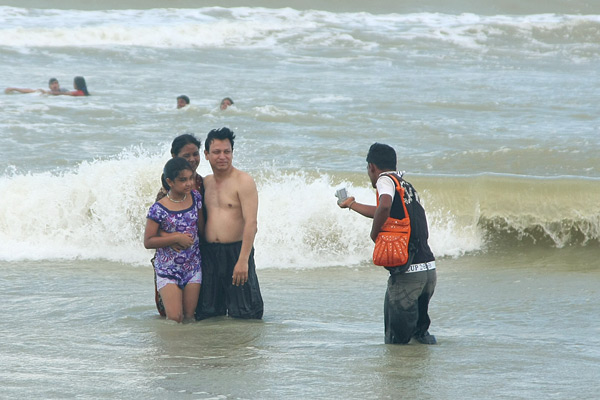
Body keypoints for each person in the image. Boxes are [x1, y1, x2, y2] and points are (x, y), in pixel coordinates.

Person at [338, 143, 437, 344]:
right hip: (427, 273)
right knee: (420, 339)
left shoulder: (385, 180)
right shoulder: (405, 186)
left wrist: (374, 235)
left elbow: (384, 206)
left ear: (372, 167)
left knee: (397, 346)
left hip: (407, 277)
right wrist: (352, 205)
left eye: (368, 169)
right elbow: (385, 210)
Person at [195, 127, 263, 320]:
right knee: (208, 313)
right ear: (207, 155)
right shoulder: (205, 182)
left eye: (227, 151)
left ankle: (245, 350)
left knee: (246, 312)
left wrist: (243, 260)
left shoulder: (243, 181)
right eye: (216, 152)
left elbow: (251, 223)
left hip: (236, 252)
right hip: (209, 253)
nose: (222, 156)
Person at [144, 157, 204, 323]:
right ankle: (170, 349)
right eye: (183, 180)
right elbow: (148, 241)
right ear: (170, 181)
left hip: (193, 267)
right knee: (175, 318)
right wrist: (175, 238)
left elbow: (201, 229)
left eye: (190, 178)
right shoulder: (158, 209)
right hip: (168, 269)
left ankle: (188, 349)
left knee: (190, 318)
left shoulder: (196, 198)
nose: (189, 183)